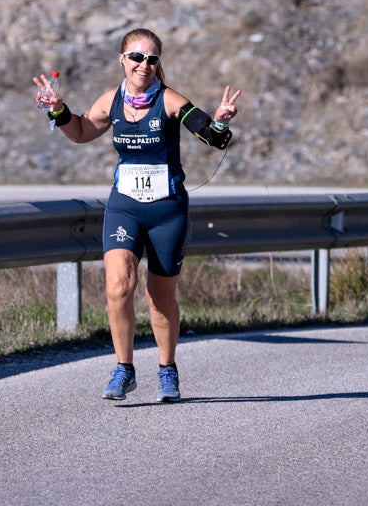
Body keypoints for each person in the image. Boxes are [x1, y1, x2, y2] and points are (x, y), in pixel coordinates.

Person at [33, 28, 241, 403]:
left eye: (152, 59)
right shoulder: (111, 100)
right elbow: (80, 131)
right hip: (125, 206)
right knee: (118, 287)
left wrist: (222, 121)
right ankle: (124, 368)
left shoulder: (170, 100)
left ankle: (167, 371)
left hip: (168, 212)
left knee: (159, 298)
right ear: (122, 60)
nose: (144, 65)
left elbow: (213, 136)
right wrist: (57, 110)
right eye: (136, 57)